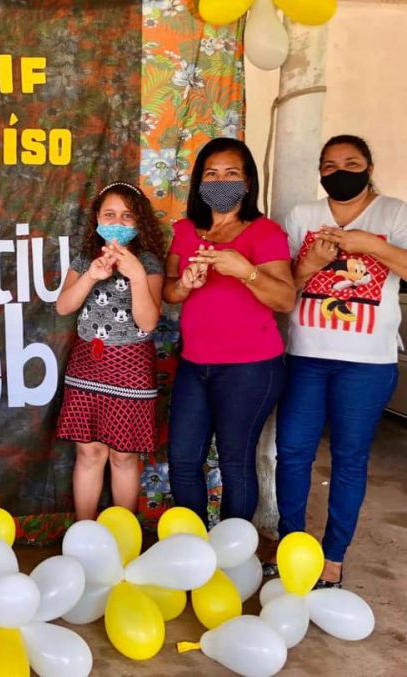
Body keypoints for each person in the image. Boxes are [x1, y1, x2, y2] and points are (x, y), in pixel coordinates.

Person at [273, 135, 407, 588]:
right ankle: (291, 546)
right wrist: (311, 263)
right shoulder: (302, 216)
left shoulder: (394, 213)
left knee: (349, 458)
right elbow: (284, 287)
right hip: (306, 356)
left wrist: (368, 244)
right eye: (329, 166)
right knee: (293, 452)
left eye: (351, 163)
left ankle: (333, 557)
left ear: (369, 167)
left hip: (367, 363)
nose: (340, 172)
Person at [163, 137, 295, 525]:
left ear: (248, 182)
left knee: (235, 462)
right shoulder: (185, 231)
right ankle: (193, 547)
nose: (221, 182)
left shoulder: (265, 233)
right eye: (211, 174)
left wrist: (246, 271)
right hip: (194, 364)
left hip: (250, 369)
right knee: (182, 460)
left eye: (231, 173)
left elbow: (285, 299)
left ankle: (231, 552)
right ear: (199, 182)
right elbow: (168, 291)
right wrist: (185, 284)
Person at [56, 181, 166, 521]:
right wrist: (91, 276)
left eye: (127, 216)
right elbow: (63, 306)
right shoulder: (85, 258)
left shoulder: (148, 262)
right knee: (89, 453)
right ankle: (83, 532)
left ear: (139, 222)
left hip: (132, 369)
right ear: (97, 220)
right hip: (87, 365)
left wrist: (136, 276)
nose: (118, 222)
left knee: (123, 456)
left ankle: (123, 537)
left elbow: (148, 322)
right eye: (110, 214)